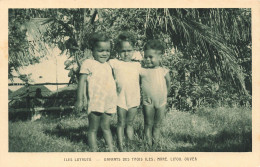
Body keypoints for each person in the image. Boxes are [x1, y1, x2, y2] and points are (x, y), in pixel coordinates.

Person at [74, 32, 117, 152]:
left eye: (107, 50)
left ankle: (112, 150)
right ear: (92, 50)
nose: (105, 53)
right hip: (95, 101)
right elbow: (81, 82)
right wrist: (79, 100)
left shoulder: (108, 65)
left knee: (106, 127)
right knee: (93, 128)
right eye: (100, 50)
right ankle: (94, 151)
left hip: (108, 101)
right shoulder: (88, 63)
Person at [108, 32, 141, 151]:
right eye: (123, 51)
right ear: (118, 50)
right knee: (121, 122)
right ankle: (121, 145)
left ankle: (130, 144)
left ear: (133, 50)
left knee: (130, 123)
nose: (126, 53)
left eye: (129, 50)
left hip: (134, 97)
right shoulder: (114, 63)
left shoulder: (137, 65)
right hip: (120, 97)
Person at [140, 40, 171, 148]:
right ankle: (147, 144)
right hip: (148, 101)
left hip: (161, 101)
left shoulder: (163, 71)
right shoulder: (142, 71)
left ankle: (155, 143)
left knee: (157, 124)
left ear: (160, 58)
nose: (147, 59)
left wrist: (165, 94)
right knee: (148, 123)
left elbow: (168, 83)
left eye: (151, 57)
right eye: (146, 57)